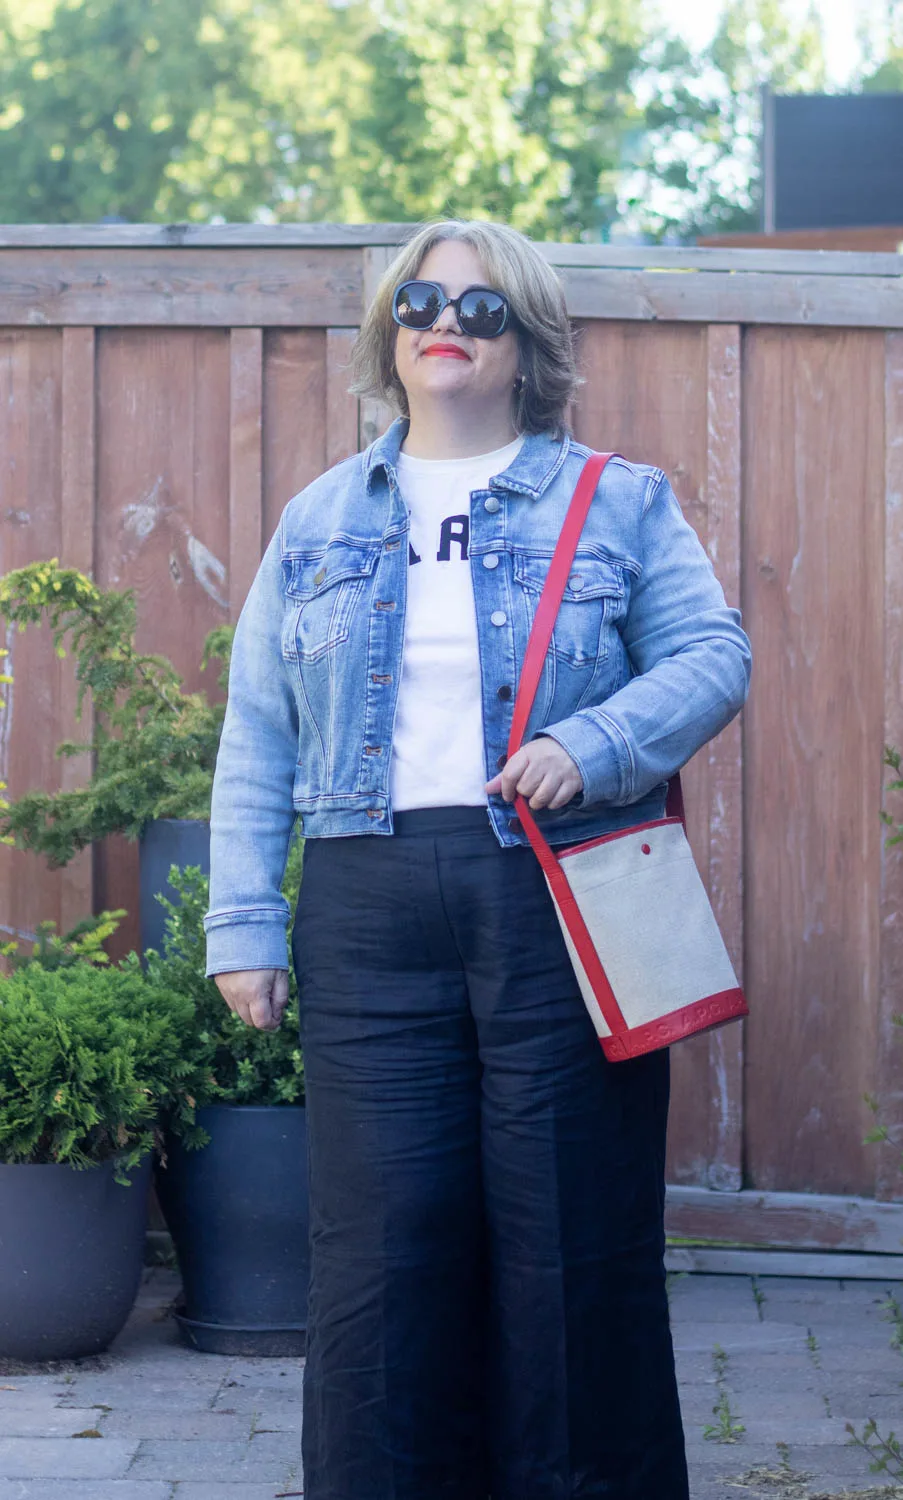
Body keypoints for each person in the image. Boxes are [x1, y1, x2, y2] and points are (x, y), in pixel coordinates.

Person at [205, 218, 752, 1500]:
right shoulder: (321, 516)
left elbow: (712, 655)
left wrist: (594, 741)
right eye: (420, 301)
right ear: (389, 331)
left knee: (569, 1242)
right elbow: (258, 734)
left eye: (482, 308)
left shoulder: (616, 500)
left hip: (555, 896)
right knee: (379, 1254)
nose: (445, 322)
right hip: (367, 896)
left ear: (529, 346)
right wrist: (243, 927)